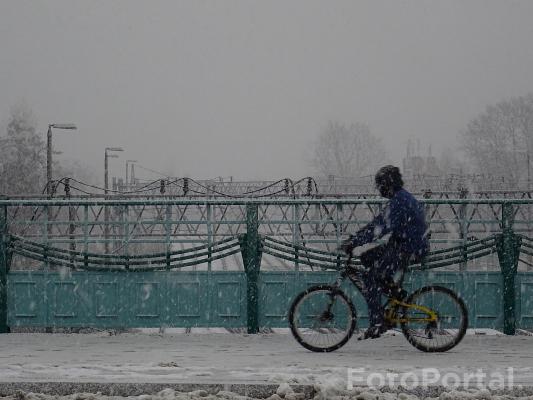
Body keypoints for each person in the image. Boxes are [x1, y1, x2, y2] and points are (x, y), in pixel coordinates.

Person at [340, 165, 429, 340]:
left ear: (387, 185)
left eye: (380, 185)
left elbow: (380, 227)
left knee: (370, 278)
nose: (379, 189)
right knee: (367, 258)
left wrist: (354, 241)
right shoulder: (400, 198)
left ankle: (377, 322)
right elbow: (379, 223)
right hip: (403, 244)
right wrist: (356, 240)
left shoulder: (399, 202)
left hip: (408, 248)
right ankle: (392, 290)